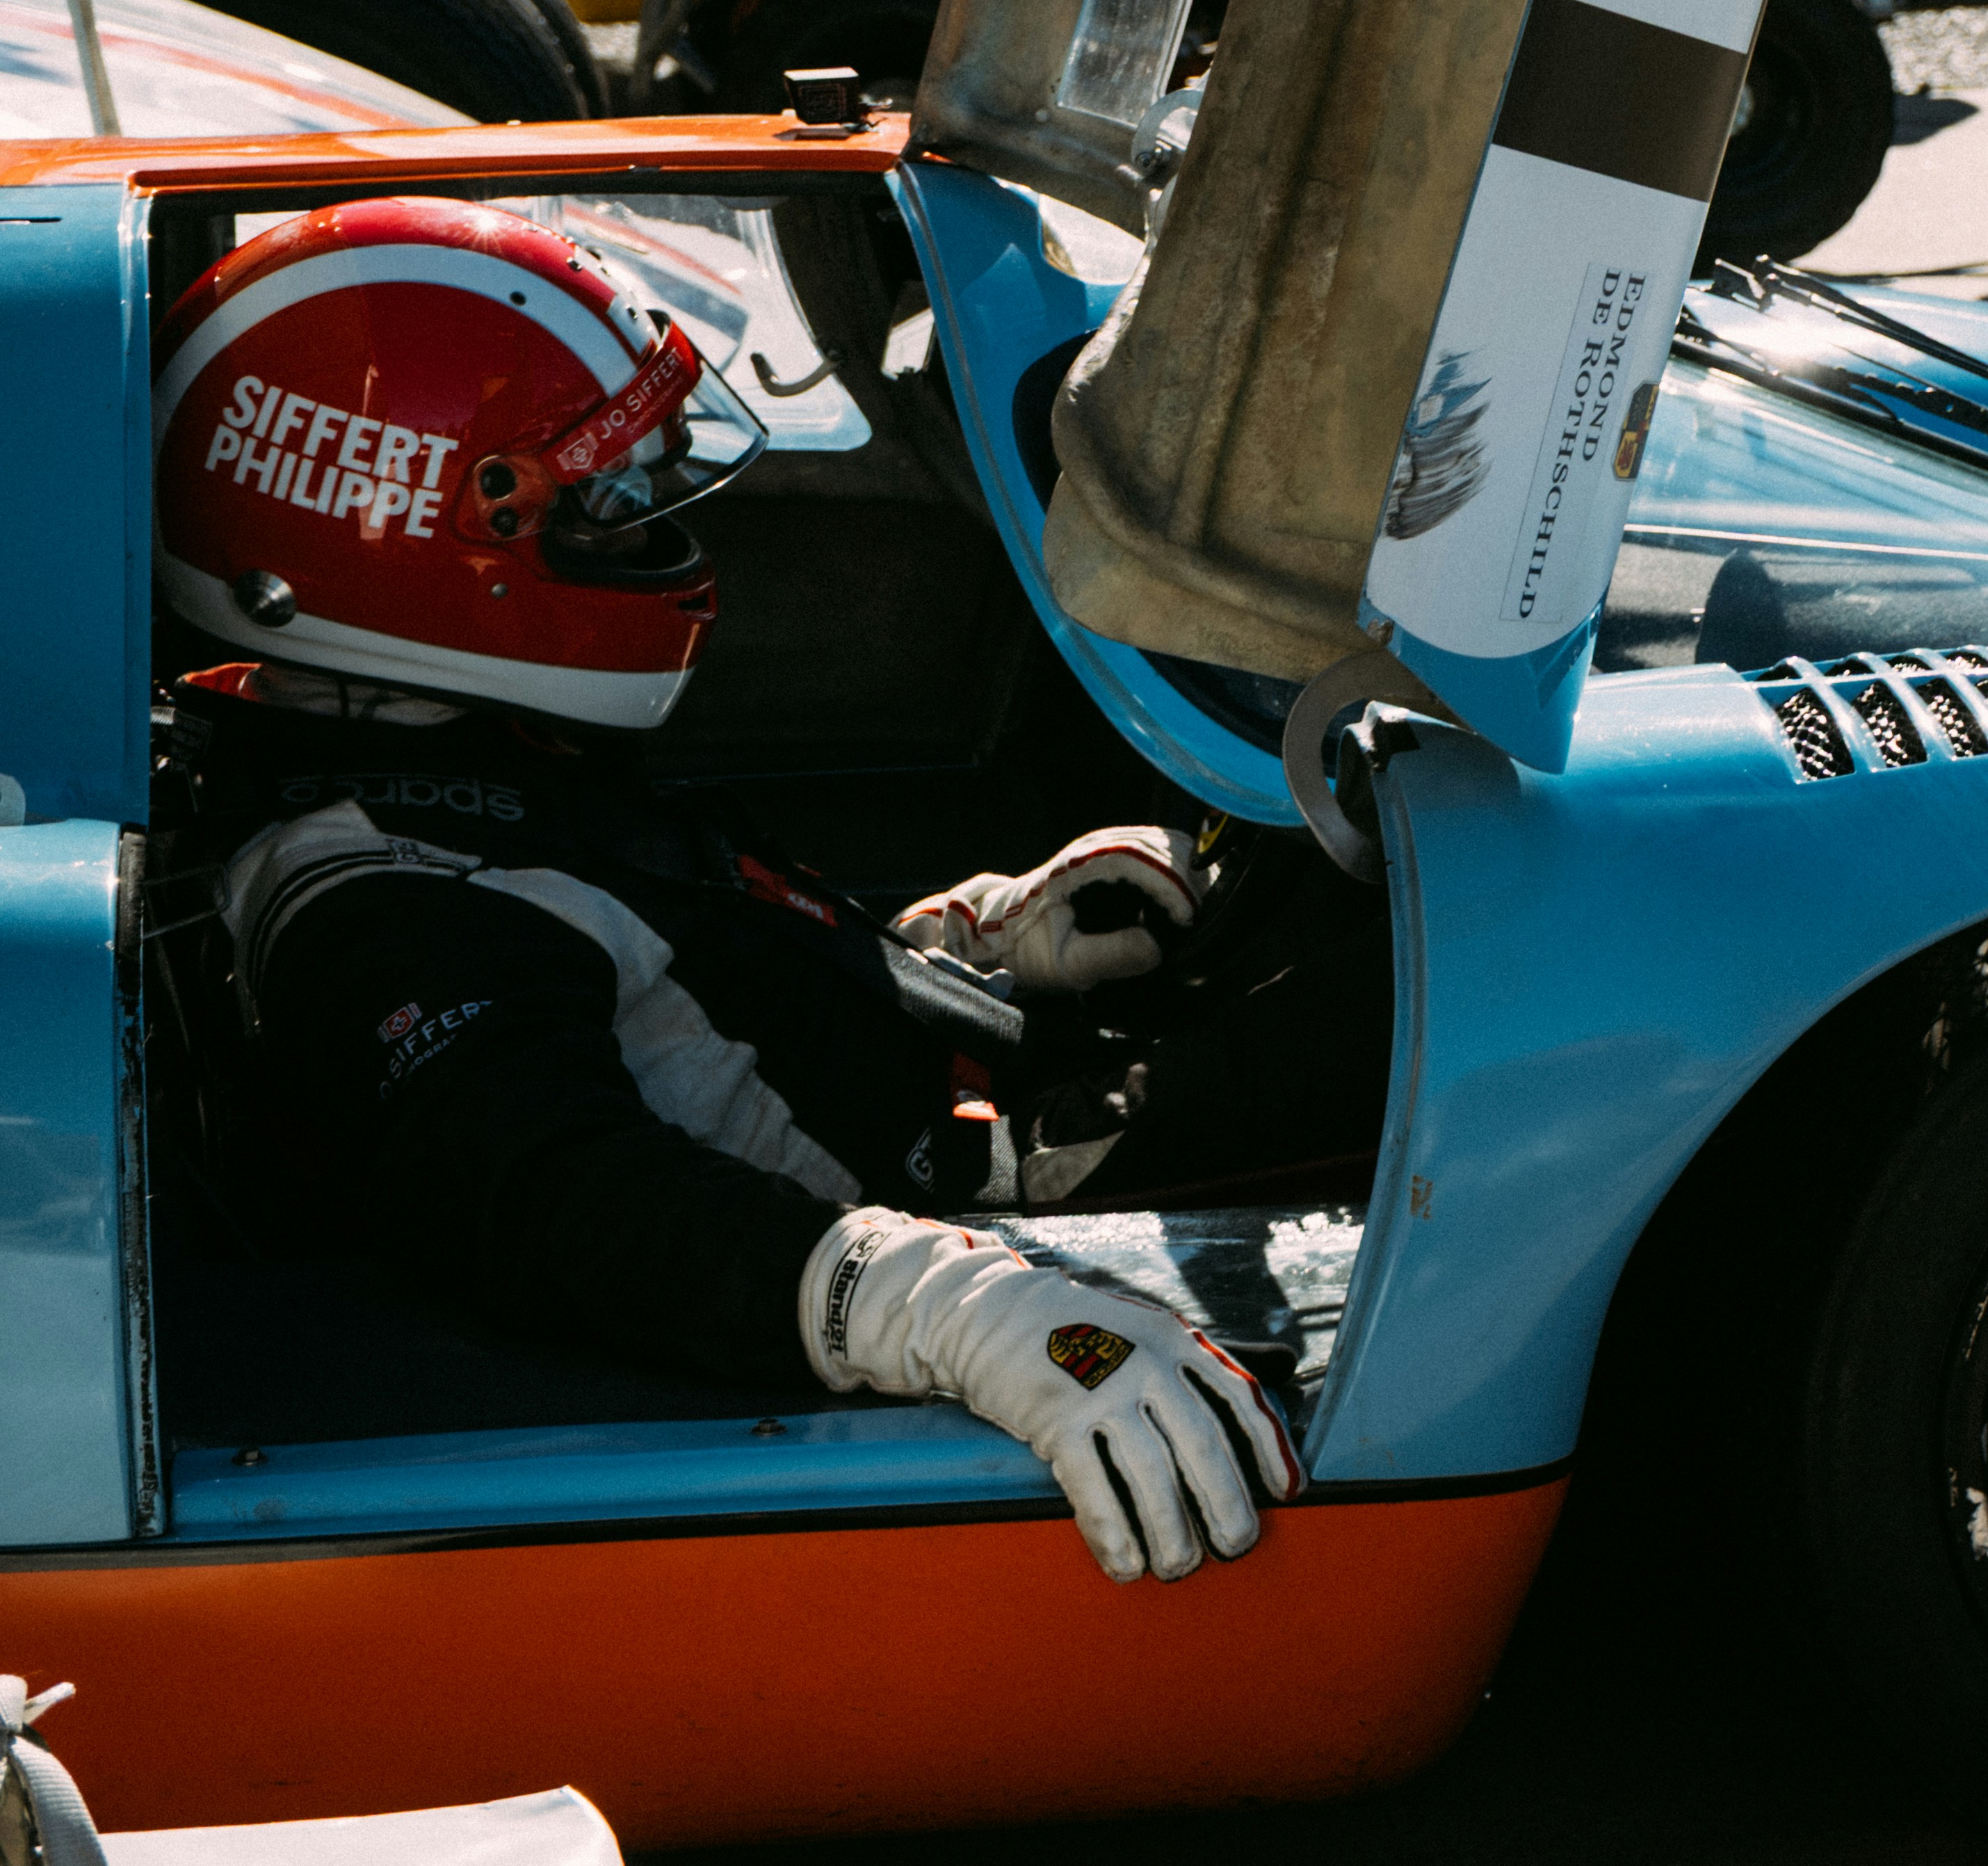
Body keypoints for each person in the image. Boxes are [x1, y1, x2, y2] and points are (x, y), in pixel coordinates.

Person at [152, 200, 1368, 1584]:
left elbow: (678, 970)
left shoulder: (441, 744)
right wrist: (951, 1309)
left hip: (964, 1096)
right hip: (973, 1217)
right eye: (607, 510)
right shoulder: (376, 917)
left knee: (1299, 887)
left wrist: (966, 943)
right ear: (403, 528)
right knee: (1417, 1003)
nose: (652, 540)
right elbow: (563, 1202)